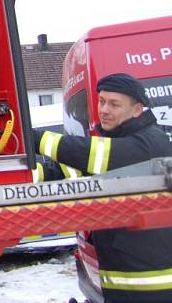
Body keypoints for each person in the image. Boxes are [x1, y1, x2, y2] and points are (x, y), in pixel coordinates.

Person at [34, 73, 172, 303]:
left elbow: (96, 155)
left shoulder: (150, 143)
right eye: (101, 101)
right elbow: (70, 173)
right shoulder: (117, 141)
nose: (104, 109)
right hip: (123, 286)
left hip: (156, 290)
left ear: (137, 110)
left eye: (114, 104)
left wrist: (34, 138)